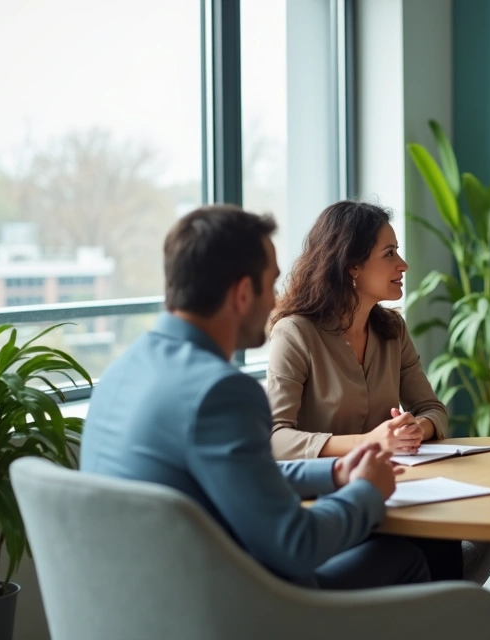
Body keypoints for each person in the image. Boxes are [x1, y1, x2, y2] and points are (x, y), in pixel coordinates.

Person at [80, 205, 430, 590]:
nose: (276, 301)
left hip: (140, 608)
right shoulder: (221, 391)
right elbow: (297, 545)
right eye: (272, 284)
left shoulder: (121, 370)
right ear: (244, 293)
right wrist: (366, 491)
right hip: (232, 614)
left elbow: (249, 472)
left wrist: (334, 472)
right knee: (409, 559)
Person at [265, 199, 461, 580]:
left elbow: (433, 409)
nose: (402, 265)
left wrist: (413, 430)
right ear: (351, 265)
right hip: (327, 502)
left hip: (394, 489)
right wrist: (368, 443)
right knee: (428, 545)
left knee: (444, 530)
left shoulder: (392, 329)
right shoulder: (295, 333)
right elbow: (275, 439)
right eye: (390, 253)